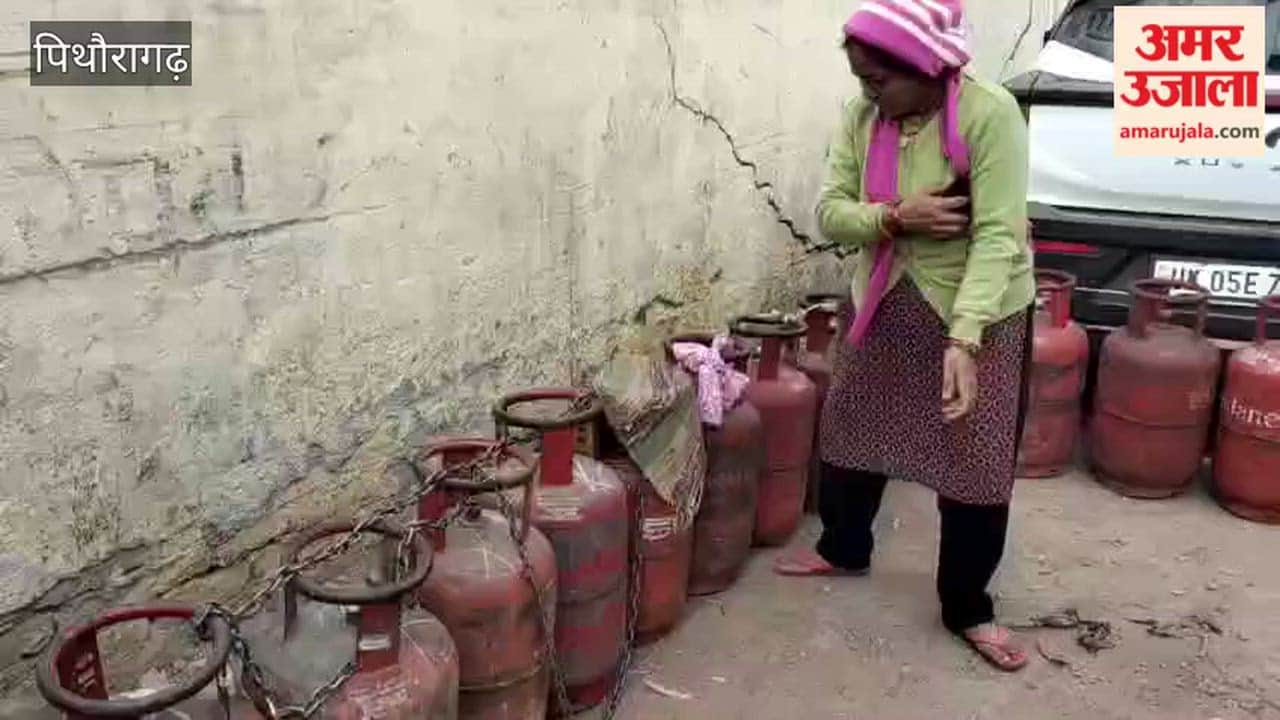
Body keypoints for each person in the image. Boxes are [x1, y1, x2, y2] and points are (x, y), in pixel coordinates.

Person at [773, 0, 1036, 672]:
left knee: (972, 455)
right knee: (853, 423)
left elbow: (1000, 235)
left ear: (930, 68)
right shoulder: (862, 118)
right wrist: (896, 216)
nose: (868, 96)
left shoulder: (989, 113)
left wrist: (966, 339)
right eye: (861, 81)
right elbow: (832, 213)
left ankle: (967, 607)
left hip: (982, 303)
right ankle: (844, 546)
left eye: (879, 82)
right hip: (887, 294)